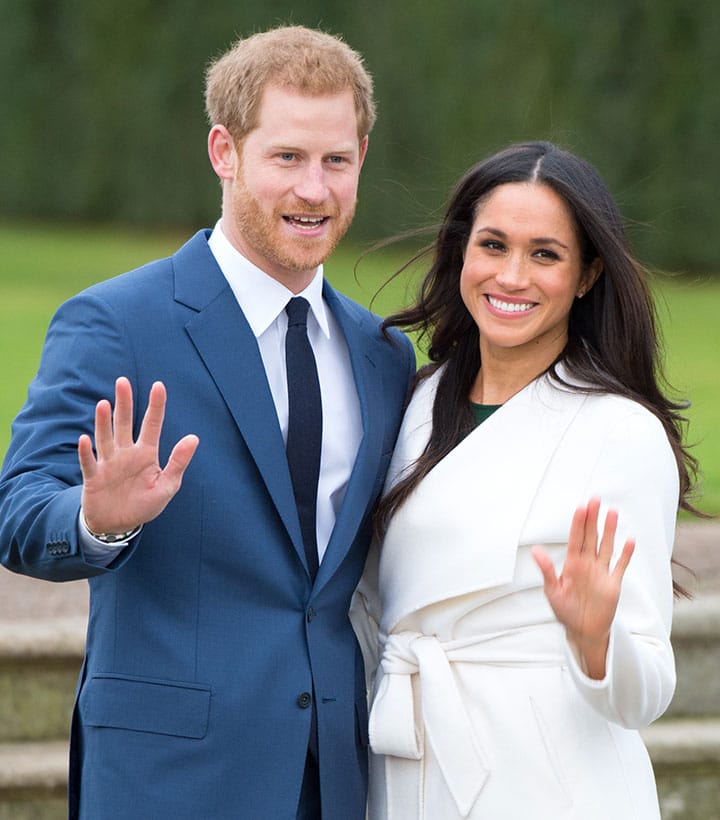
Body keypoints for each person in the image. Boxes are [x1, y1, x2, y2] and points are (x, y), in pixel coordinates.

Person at [0, 26, 415, 819]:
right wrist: (95, 520)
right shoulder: (116, 321)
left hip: (331, 781)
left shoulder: (382, 353)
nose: (315, 191)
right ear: (225, 152)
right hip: (170, 782)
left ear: (362, 154)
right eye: (287, 158)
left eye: (336, 160)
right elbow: (18, 507)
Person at [350, 141, 698, 819]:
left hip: (547, 784)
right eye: (493, 245)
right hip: (406, 765)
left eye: (546, 254)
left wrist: (596, 639)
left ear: (588, 275)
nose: (512, 276)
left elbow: (647, 688)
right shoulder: (411, 402)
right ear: (461, 255)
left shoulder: (617, 433)